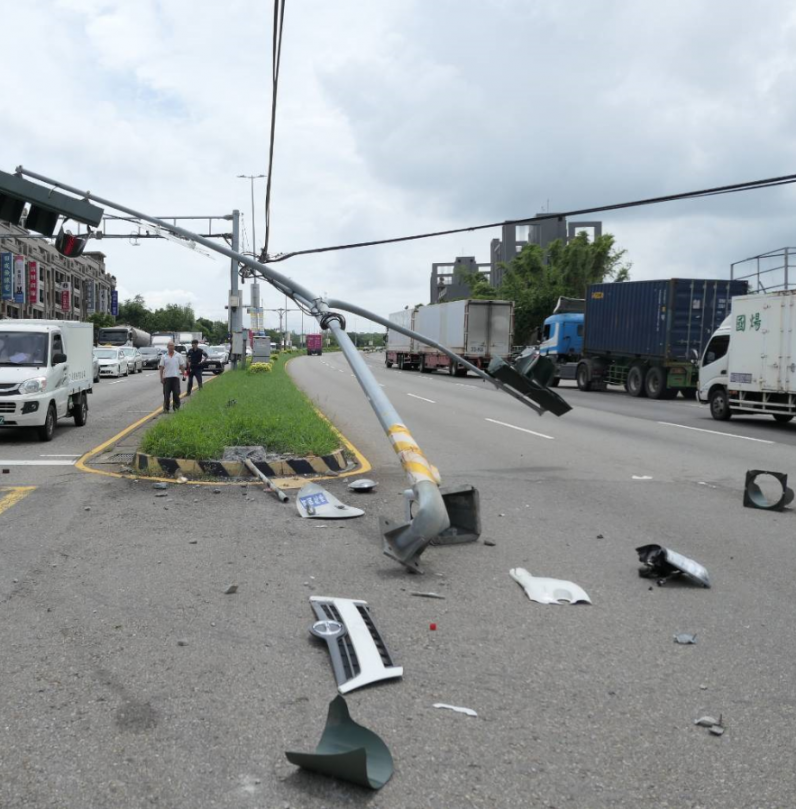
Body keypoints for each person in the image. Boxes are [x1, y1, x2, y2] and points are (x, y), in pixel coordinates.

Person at [158, 341, 185, 413]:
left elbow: (182, 366)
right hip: (167, 378)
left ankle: (176, 408)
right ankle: (166, 409)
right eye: (169, 346)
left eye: (172, 346)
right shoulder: (164, 356)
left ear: (174, 347)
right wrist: (161, 378)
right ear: (167, 347)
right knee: (166, 395)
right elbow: (161, 368)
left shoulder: (178, 355)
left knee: (176, 393)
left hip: (175, 377)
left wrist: (184, 374)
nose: (171, 347)